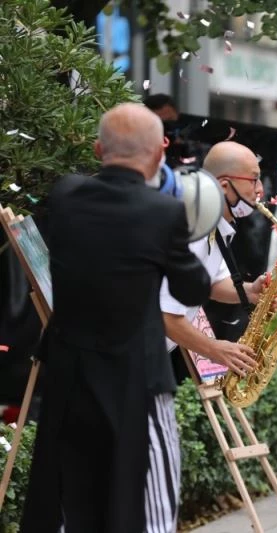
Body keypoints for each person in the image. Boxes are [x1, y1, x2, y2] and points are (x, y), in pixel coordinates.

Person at [20, 103, 211, 533]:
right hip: (135, 376)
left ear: (97, 148)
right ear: (159, 155)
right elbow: (191, 289)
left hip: (69, 372)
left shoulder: (65, 197)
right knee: (150, 502)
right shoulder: (162, 213)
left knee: (71, 495)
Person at [160, 141, 277, 383]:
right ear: (224, 186)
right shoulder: (192, 229)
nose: (260, 190)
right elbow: (165, 315)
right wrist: (215, 349)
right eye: (253, 180)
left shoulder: (213, 225)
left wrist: (251, 292)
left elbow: (212, 284)